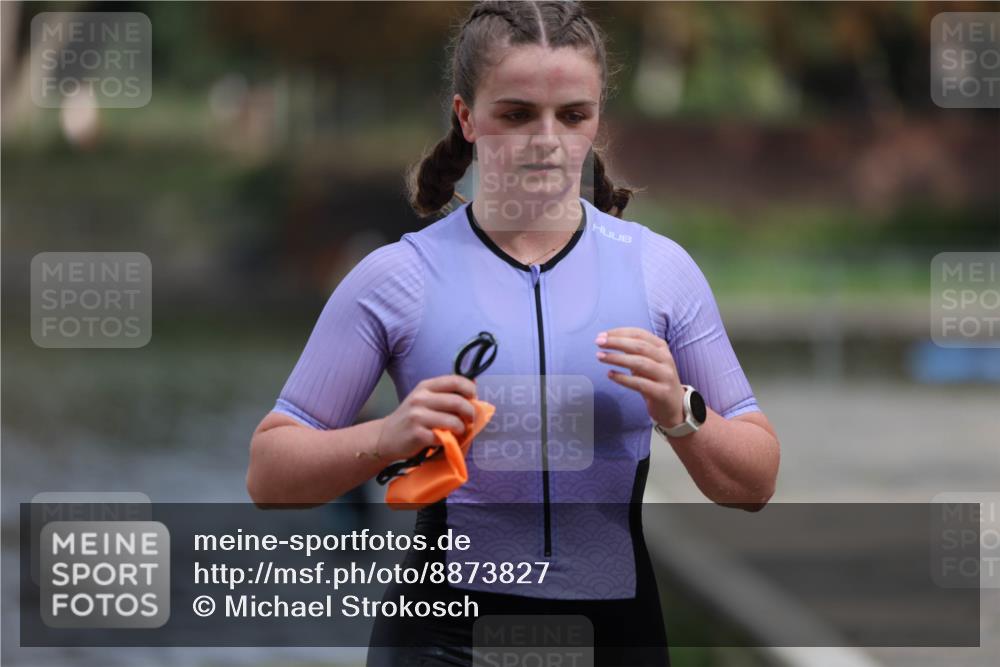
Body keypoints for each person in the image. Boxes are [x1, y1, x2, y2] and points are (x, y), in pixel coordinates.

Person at [246, 1, 780, 665]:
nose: (547, 139)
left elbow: (756, 483)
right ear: (467, 117)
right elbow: (268, 473)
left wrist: (681, 414)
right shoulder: (397, 277)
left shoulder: (658, 271)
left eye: (573, 115)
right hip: (443, 643)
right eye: (517, 113)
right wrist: (386, 436)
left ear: (596, 121)